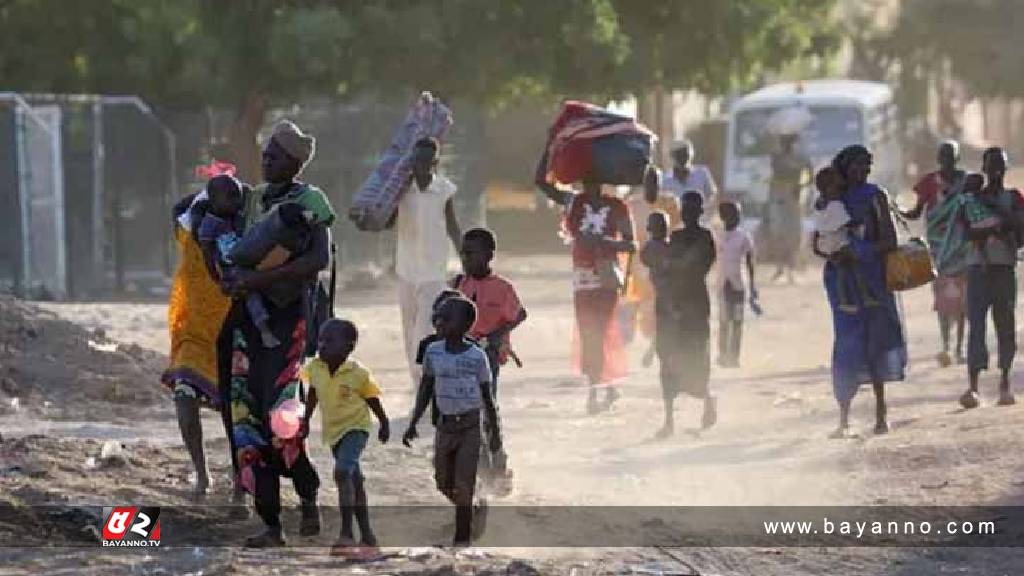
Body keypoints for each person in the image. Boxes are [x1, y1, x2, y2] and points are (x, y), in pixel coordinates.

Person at [218, 120, 336, 547]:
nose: (266, 160)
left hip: (290, 323)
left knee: (283, 422)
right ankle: (270, 524)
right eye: (265, 153)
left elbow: (317, 260)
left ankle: (307, 498)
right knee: (245, 418)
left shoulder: (310, 201)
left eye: (274, 154)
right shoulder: (251, 199)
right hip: (248, 324)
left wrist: (259, 282)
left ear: (295, 162)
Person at [813, 145, 906, 438]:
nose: (862, 171)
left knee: (875, 344)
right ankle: (843, 418)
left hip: (872, 279)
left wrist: (861, 251)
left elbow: (890, 241)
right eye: (856, 165)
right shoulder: (832, 199)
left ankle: (881, 414)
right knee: (847, 345)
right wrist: (835, 254)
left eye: (866, 165)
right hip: (842, 283)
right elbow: (818, 241)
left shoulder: (876, 195)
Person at [535, 151, 636, 414]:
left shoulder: (617, 206)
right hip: (583, 277)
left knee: (600, 330)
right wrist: (550, 147)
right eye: (586, 176)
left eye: (595, 176)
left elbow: (631, 243)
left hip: (605, 275)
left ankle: (599, 389)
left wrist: (604, 242)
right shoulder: (573, 202)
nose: (590, 182)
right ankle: (600, 387)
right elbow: (542, 183)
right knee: (589, 332)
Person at [403, 297, 503, 547]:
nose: (438, 322)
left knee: (463, 482)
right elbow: (426, 388)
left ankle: (462, 539)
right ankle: (473, 504)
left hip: (470, 426)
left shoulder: (477, 357)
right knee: (443, 480)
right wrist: (413, 422)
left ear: (466, 324)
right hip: (445, 426)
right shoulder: (433, 352)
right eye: (437, 317)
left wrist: (495, 434)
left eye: (446, 319)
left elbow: (487, 397)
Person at [163, 169, 236, 499]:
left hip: (232, 330)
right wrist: (205, 195)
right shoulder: (188, 231)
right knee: (184, 395)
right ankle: (202, 474)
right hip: (193, 333)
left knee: (236, 412)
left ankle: (240, 481)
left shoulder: (239, 235)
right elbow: (179, 207)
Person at [300, 319, 389, 557]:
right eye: (320, 339)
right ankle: (368, 535)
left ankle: (346, 534)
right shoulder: (315, 368)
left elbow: (372, 399)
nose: (322, 345)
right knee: (354, 480)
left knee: (341, 472)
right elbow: (313, 393)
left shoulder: (358, 373)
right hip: (334, 432)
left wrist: (384, 422)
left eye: (329, 341)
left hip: (356, 428)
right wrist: (305, 420)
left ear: (348, 347)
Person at [452, 227, 526, 491]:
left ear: (488, 255)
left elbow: (519, 315)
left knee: (486, 407)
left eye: (471, 253)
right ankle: (478, 464)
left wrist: (497, 335)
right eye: (463, 253)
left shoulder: (502, 288)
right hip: (461, 354)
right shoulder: (460, 284)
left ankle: (498, 464)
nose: (466, 258)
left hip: (488, 356)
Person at [643, 192, 717, 439]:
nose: (688, 212)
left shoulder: (705, 238)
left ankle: (707, 400)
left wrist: (674, 266)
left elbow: (697, 265)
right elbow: (658, 264)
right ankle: (669, 420)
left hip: (695, 305)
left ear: (700, 210)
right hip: (671, 306)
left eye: (693, 208)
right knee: (668, 360)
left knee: (696, 358)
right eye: (685, 208)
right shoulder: (673, 238)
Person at [395, 137, 462, 394]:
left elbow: (453, 226)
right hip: (406, 268)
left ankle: (426, 381)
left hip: (434, 270)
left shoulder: (444, 190)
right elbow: (386, 220)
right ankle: (417, 382)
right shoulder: (401, 191)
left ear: (434, 162)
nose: (421, 166)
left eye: (426, 161)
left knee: (425, 327)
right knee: (409, 327)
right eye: (417, 160)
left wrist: (464, 257)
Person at [958, 147, 1023, 409]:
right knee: (977, 326)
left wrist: (998, 226)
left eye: (1000, 165)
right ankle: (973, 387)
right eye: (992, 164)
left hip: (1004, 268)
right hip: (978, 269)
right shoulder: (971, 199)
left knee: (1005, 326)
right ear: (984, 168)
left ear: (1005, 169)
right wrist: (998, 225)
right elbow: (966, 233)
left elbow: (1020, 230)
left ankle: (1004, 383)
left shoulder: (1014, 198)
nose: (996, 169)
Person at [901, 140, 968, 367]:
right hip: (938, 250)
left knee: (963, 300)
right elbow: (916, 212)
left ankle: (959, 347)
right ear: (938, 159)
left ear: (957, 158)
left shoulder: (966, 181)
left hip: (963, 248)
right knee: (942, 299)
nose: (947, 160)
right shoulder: (929, 183)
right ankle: (946, 346)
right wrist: (895, 210)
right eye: (943, 156)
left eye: (951, 156)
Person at [197, 174, 280, 349]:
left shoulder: (238, 217)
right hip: (232, 269)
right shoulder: (209, 224)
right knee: (250, 293)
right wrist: (217, 278)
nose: (236, 201)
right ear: (214, 200)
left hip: (250, 260)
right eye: (230, 196)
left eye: (238, 196)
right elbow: (207, 253)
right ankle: (264, 329)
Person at [627, 169, 680, 368]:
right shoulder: (632, 204)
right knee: (641, 313)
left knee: (661, 309)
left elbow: (677, 232)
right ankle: (649, 346)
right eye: (649, 182)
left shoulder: (669, 203)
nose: (652, 187)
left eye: (656, 183)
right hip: (638, 265)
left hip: (663, 265)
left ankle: (655, 349)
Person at [812, 166, 879, 314]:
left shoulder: (819, 205)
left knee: (843, 270)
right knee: (855, 266)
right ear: (828, 189)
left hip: (826, 243)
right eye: (837, 188)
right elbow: (846, 223)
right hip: (838, 242)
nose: (840, 192)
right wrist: (862, 220)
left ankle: (846, 300)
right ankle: (863, 296)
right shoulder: (836, 205)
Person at [764, 133, 813, 283]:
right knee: (778, 232)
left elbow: (811, 174)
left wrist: (801, 185)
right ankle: (780, 268)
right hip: (778, 195)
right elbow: (777, 168)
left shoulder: (801, 157)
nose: (785, 145)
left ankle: (791, 268)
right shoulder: (777, 157)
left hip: (794, 197)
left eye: (787, 142)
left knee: (794, 233)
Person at [716, 200, 758, 368]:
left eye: (738, 215)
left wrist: (753, 284)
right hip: (722, 283)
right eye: (733, 215)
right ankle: (722, 354)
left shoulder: (744, 237)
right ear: (723, 217)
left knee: (737, 321)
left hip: (739, 284)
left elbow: (750, 262)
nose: (737, 218)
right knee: (724, 321)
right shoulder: (717, 235)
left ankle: (734, 356)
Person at [661, 139, 718, 208]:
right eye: (678, 155)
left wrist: (702, 208)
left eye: (685, 155)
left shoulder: (702, 173)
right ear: (672, 157)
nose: (682, 159)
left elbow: (712, 195)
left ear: (691, 155)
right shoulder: (665, 180)